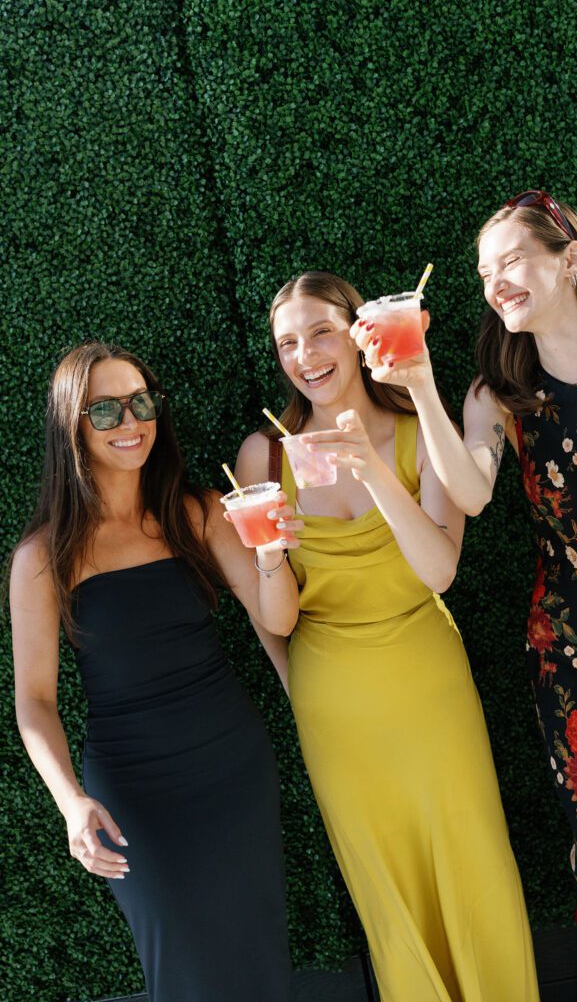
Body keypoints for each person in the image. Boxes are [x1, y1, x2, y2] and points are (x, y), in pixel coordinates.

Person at [352, 192, 577, 1000]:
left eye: (509, 259)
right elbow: (465, 494)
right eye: (481, 271)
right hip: (566, 663)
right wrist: (423, 387)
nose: (493, 281)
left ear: (570, 257)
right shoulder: (492, 396)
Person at [235, 272, 540, 1002]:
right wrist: (270, 557)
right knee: (386, 890)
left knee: (472, 868)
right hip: (335, 709)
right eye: (286, 343)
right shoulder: (263, 457)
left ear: (357, 332)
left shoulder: (416, 431)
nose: (304, 355)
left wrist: (371, 471)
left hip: (427, 685)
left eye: (319, 332)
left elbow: (438, 569)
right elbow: (277, 618)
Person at [10, 342, 302, 1002]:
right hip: (133, 793)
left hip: (233, 770)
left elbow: (276, 620)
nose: (130, 422)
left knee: (257, 961)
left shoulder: (196, 513)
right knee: (184, 974)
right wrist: (70, 804)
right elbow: (33, 701)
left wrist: (269, 555)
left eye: (140, 403)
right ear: (71, 425)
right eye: (105, 410)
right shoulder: (43, 555)